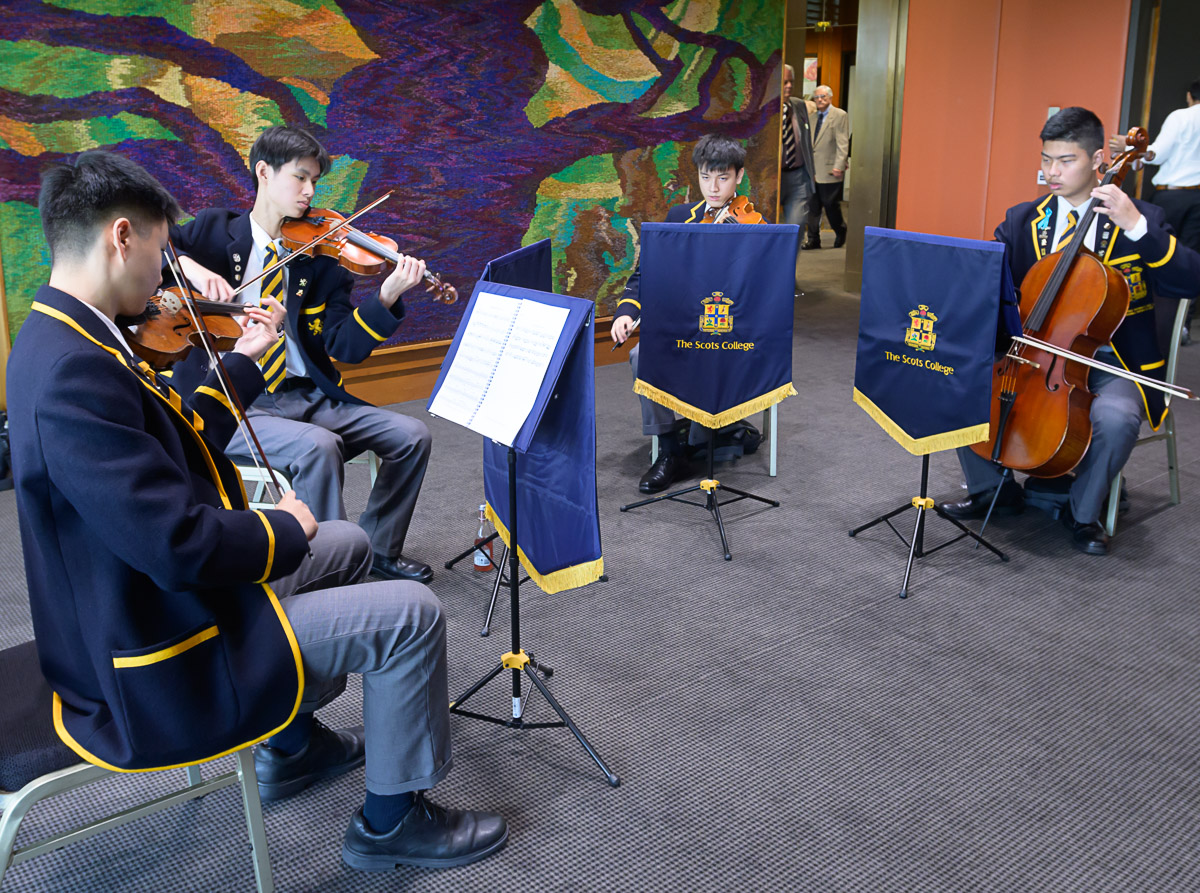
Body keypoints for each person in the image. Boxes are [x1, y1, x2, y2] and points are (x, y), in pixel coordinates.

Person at [8, 150, 507, 870]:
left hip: (146, 602)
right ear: (122, 236)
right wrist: (278, 528)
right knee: (412, 614)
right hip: (157, 650)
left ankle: (294, 745)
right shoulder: (73, 373)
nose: (164, 272)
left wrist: (241, 360)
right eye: (158, 247)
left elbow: (171, 445)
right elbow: (176, 543)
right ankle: (392, 823)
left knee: (346, 543)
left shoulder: (68, 336)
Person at [171, 125, 443, 584]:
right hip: (235, 399)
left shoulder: (321, 258)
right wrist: (191, 268)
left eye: (315, 181)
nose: (310, 191)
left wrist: (388, 297)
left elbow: (345, 348)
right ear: (263, 172)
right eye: (300, 178)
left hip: (307, 395)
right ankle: (324, 572)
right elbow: (152, 245)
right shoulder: (214, 233)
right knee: (319, 446)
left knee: (412, 434)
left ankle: (375, 548)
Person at [939, 107, 1200, 555]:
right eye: (1045, 160)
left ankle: (1082, 511)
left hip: (1113, 361)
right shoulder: (1023, 220)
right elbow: (991, 288)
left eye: (1066, 161)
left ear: (1099, 159)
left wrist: (1137, 228)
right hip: (1036, 355)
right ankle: (993, 491)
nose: (1051, 172)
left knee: (1116, 418)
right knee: (959, 378)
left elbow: (1189, 280)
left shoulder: (1143, 219)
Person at [611, 134, 753, 493]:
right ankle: (670, 449)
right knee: (640, 356)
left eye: (723, 177)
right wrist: (626, 313)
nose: (714, 187)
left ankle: (712, 428)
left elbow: (757, 292)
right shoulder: (679, 217)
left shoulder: (755, 226)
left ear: (739, 176)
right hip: (681, 326)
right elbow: (645, 276)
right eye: (706, 177)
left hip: (727, 330)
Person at [1111, 78, 1200, 343]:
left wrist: (1131, 149)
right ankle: (1182, 326)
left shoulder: (1181, 116)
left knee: (1156, 253)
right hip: (1198, 198)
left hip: (1171, 196)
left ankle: (1152, 318)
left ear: (1188, 96)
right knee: (1188, 259)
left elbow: (1156, 154)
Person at [802, 85, 850, 250]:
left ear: (830, 97)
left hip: (830, 169)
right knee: (812, 207)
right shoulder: (812, 117)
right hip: (812, 171)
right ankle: (813, 239)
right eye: (817, 97)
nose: (820, 100)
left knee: (830, 205)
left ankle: (840, 229)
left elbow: (843, 143)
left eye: (823, 97)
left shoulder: (839, 115)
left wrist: (839, 165)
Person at [780, 64, 816, 239]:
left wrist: (811, 174)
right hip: (773, 178)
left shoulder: (799, 105)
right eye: (784, 81)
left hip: (797, 177)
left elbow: (806, 142)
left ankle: (787, 265)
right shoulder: (763, 109)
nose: (788, 86)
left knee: (797, 226)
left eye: (791, 82)